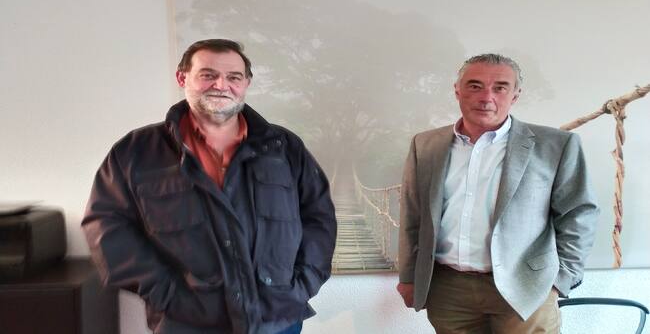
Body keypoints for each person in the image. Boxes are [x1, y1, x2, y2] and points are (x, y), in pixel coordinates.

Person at [82, 39, 336, 334]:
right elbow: (106, 226)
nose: (221, 85)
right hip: (186, 323)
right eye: (208, 75)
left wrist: (301, 284)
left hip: (277, 320)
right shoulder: (136, 152)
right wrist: (166, 294)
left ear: (246, 83)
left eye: (234, 77)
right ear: (182, 78)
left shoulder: (284, 147)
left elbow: (319, 218)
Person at [396, 53, 599, 334]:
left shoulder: (556, 145)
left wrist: (561, 278)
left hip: (526, 288)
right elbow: (413, 215)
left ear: (515, 95)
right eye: (475, 86)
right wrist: (409, 276)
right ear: (457, 90)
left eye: (500, 87)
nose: (486, 97)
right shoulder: (425, 144)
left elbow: (579, 214)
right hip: (448, 290)